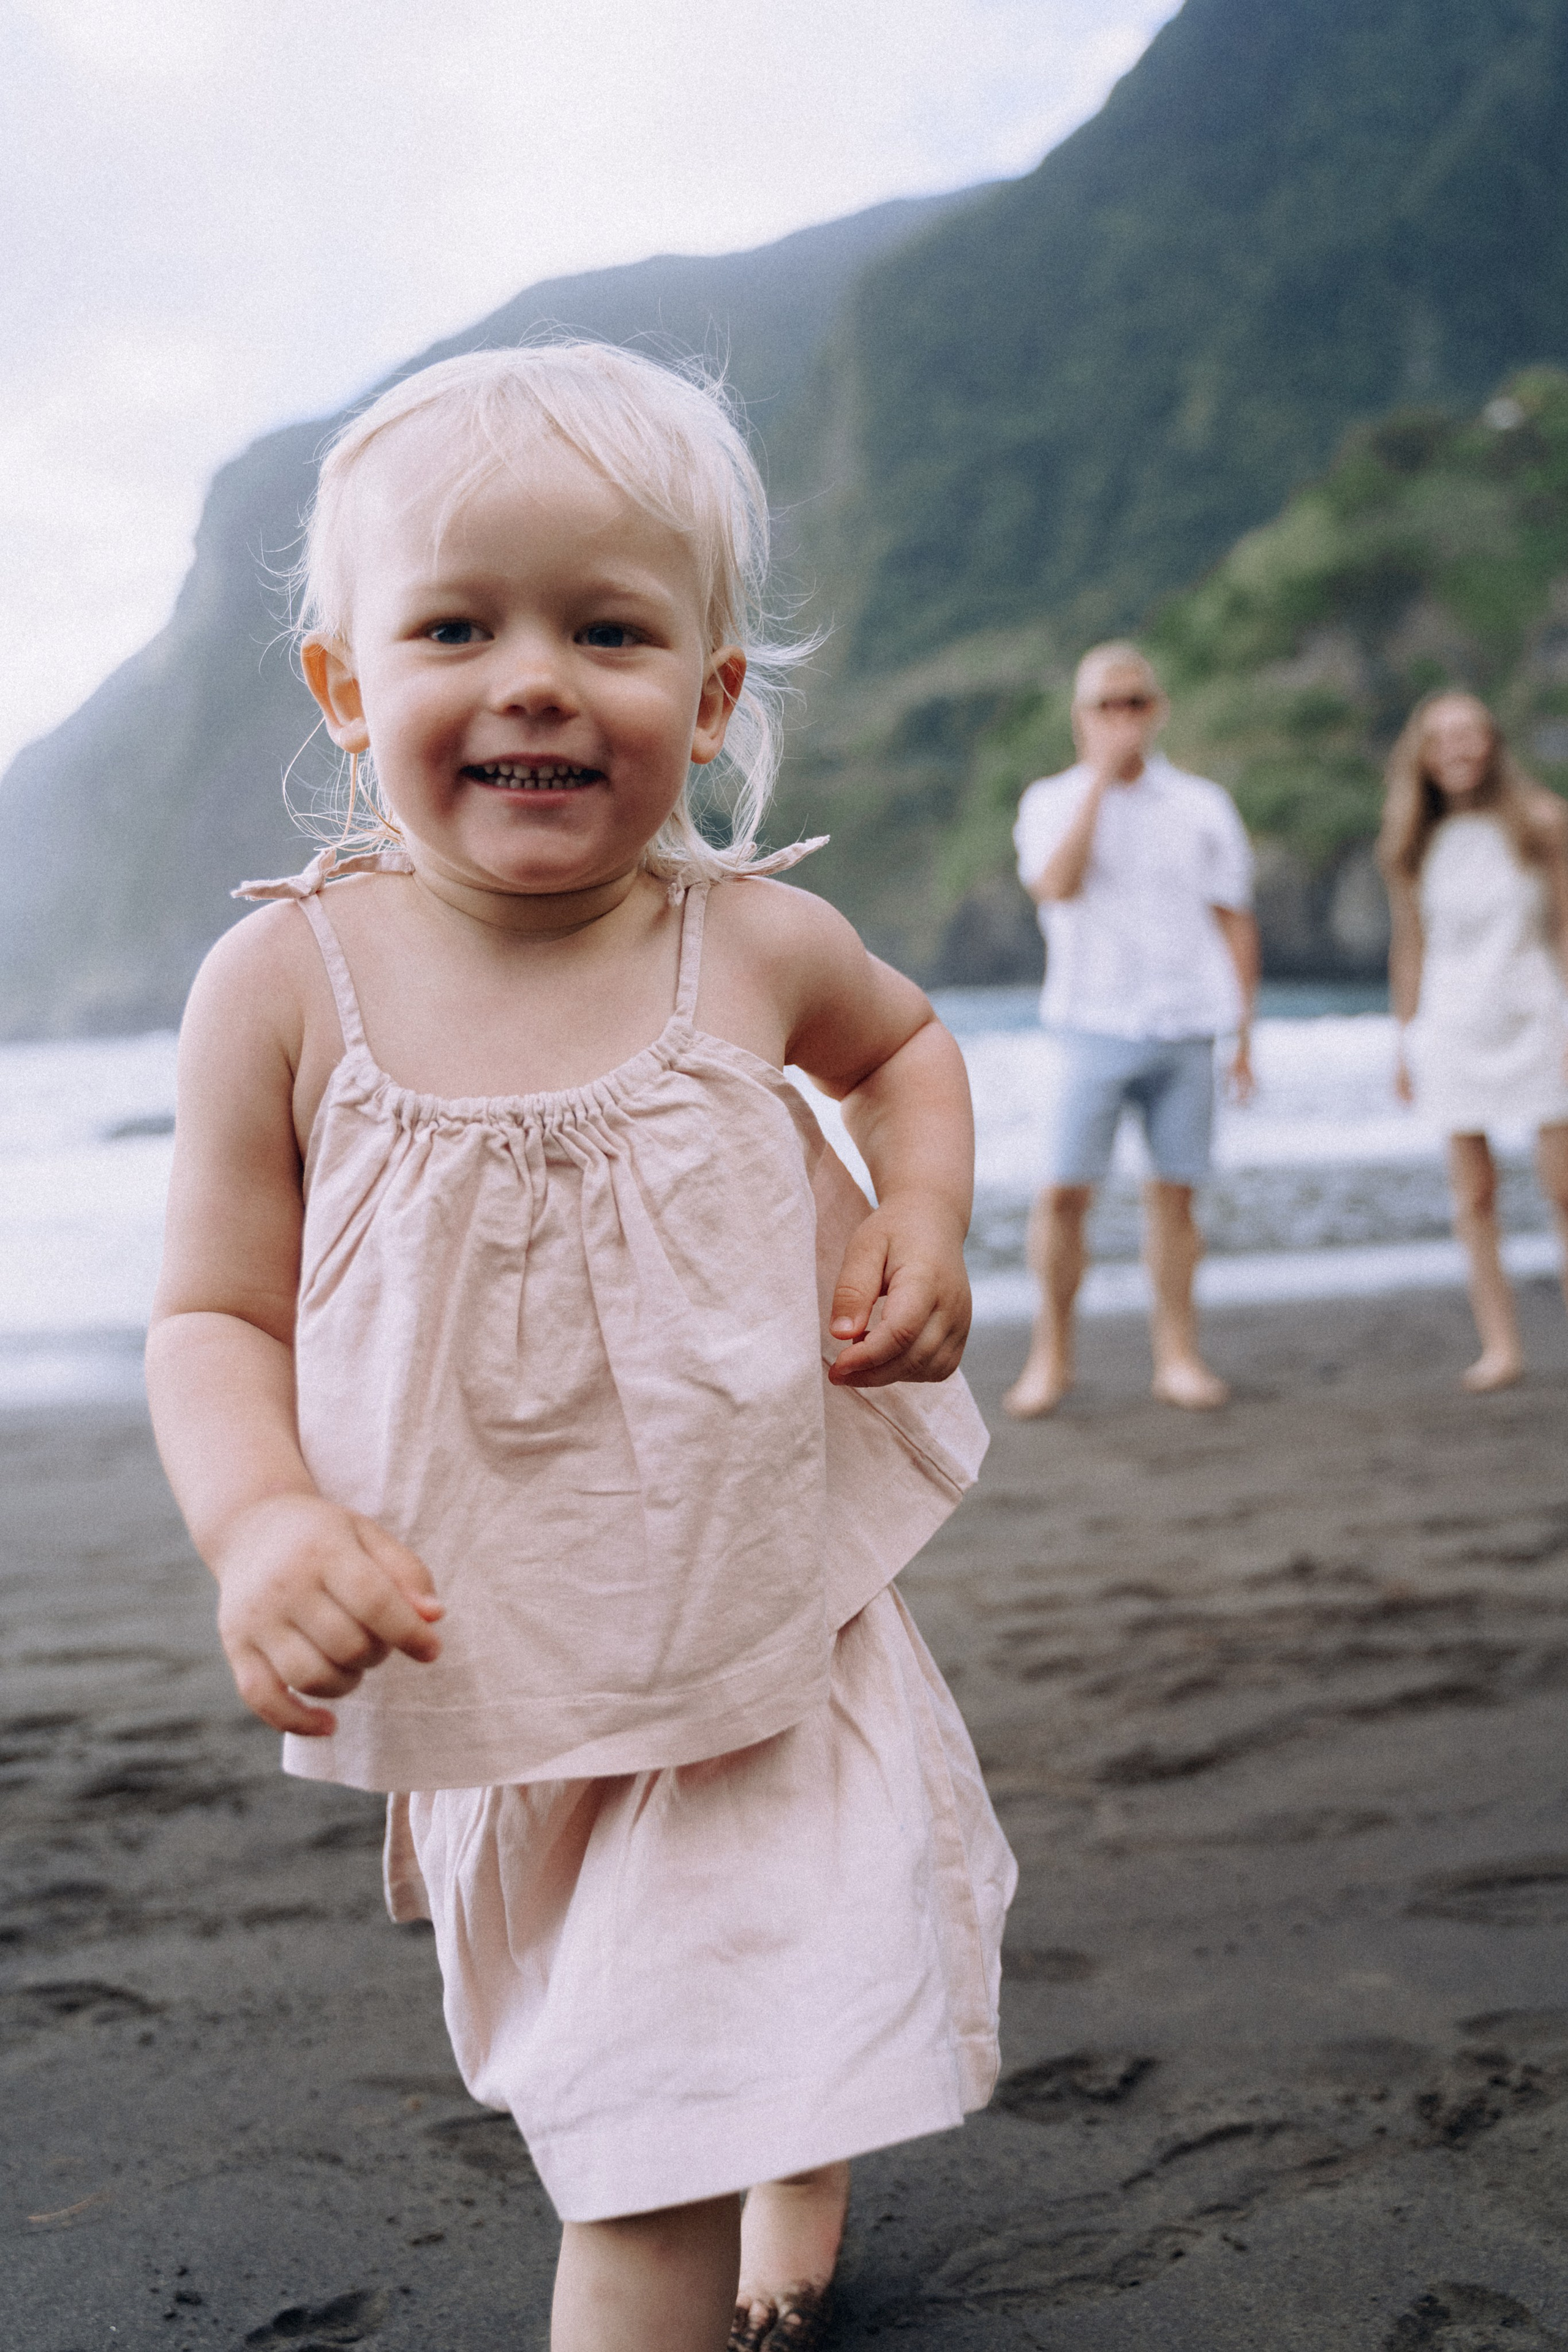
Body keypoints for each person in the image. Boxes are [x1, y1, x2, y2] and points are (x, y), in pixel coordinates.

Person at [145, 344, 1015, 2352]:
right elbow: (212, 1309)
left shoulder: (748, 945)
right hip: (510, 1647)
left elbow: (903, 1050)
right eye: (459, 624)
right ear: (346, 687)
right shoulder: (288, 986)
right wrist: (263, 1521)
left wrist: (921, 1210)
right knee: (680, 2017)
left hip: (764, 1613)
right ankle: (784, 2189)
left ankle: (754, 2222)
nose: (534, 677)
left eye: (607, 630)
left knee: (668, 2114)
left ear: (707, 700)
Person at [1005, 644, 1259, 1418]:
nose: (1122, 718)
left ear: (1159, 710)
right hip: (1090, 1022)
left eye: (1135, 703)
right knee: (1062, 1194)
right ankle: (1051, 1358)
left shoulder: (1202, 804)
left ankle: (1177, 1356)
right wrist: (1099, 788)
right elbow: (1056, 884)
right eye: (1105, 705)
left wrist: (1245, 1031)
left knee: (1175, 1195)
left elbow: (1234, 920)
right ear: (1080, 717)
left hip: (1186, 1023)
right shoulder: (1050, 800)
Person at [1379, 690, 1568, 1391]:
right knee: (1474, 1197)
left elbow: (1565, 928)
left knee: (1563, 1187)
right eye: (1441, 739)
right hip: (1452, 1022)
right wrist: (1403, 1041)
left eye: (1470, 735)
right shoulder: (1411, 842)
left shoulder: (1542, 822)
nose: (1457, 749)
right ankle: (1500, 1348)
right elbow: (1410, 947)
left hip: (1533, 1011)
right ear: (1422, 755)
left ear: (1492, 743)